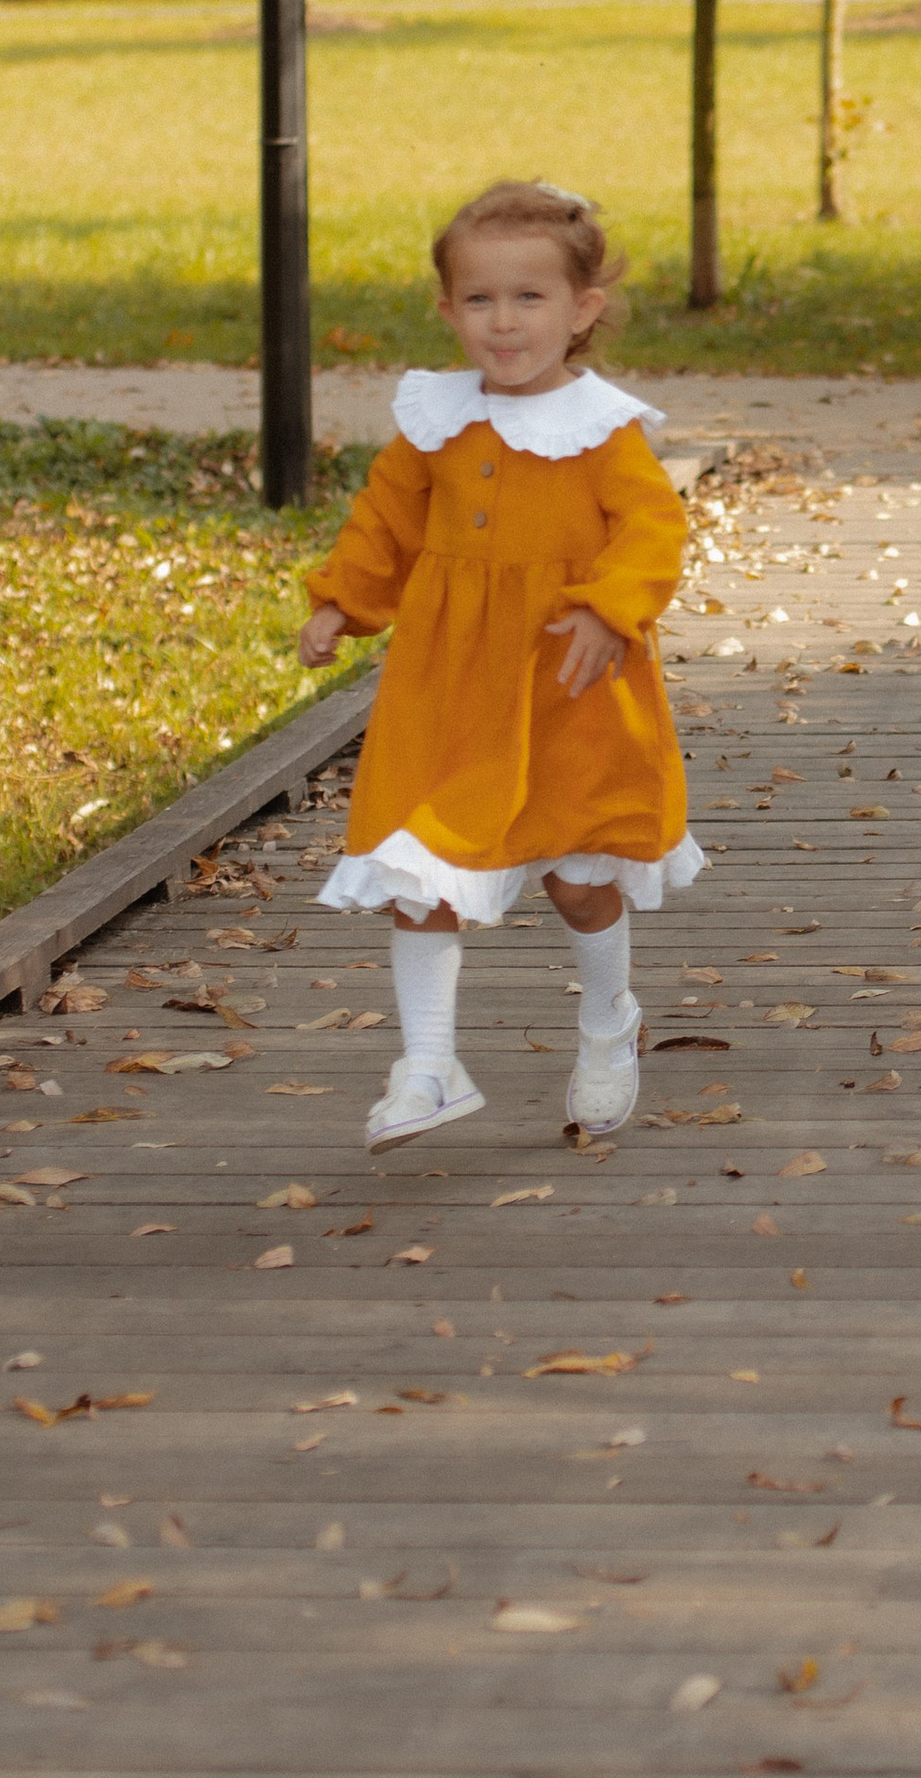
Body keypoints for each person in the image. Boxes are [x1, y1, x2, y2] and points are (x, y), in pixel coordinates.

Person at [297, 180, 696, 1145]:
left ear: (581, 310)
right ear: (447, 311)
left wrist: (610, 609)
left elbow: (653, 529)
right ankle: (429, 1067)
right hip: (450, 684)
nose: (504, 322)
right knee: (418, 863)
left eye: (530, 299)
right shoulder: (434, 421)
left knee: (578, 874)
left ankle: (609, 1023)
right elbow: (385, 519)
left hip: (567, 683)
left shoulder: (601, 430)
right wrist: (342, 598)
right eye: (479, 300)